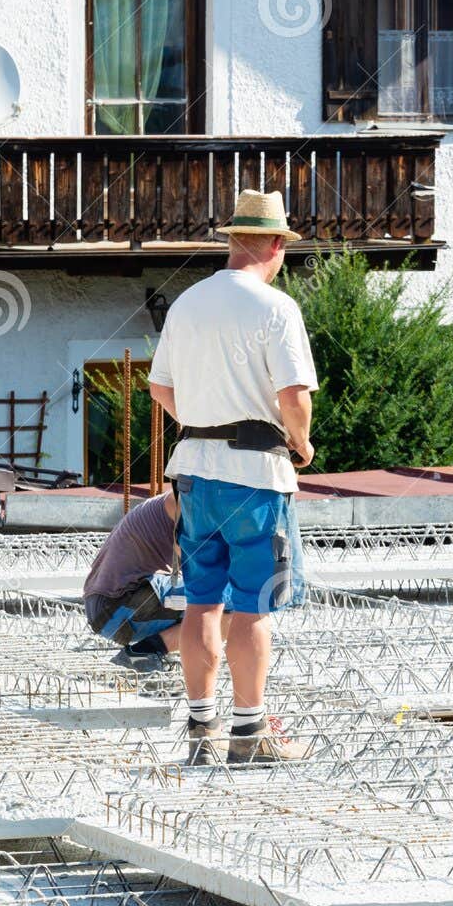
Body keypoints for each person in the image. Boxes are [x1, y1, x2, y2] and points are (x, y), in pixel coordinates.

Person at [148, 189, 317, 767]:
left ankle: (202, 729)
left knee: (200, 602)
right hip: (256, 476)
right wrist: (301, 442)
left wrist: (198, 425)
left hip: (193, 472)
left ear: (232, 241)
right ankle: (249, 733)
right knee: (254, 606)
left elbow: (160, 387)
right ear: (275, 245)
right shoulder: (276, 309)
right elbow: (293, 396)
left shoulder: (188, 303)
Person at [82, 490, 186, 663]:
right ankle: (141, 654)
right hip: (115, 609)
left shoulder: (191, 494)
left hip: (113, 606)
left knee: (224, 600)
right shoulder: (187, 501)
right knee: (232, 602)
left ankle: (149, 654)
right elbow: (205, 571)